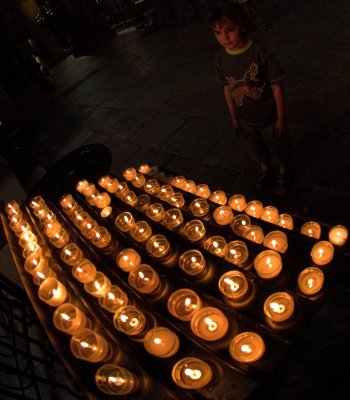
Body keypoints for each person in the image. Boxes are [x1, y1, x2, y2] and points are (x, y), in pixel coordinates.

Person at [208, 0, 291, 195]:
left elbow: (276, 85)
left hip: (269, 116)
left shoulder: (258, 52)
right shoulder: (221, 59)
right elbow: (228, 89)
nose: (224, 37)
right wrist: (234, 117)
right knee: (256, 148)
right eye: (218, 32)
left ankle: (284, 170)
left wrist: (280, 118)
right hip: (245, 119)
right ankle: (266, 168)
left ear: (242, 25)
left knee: (278, 146)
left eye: (229, 30)